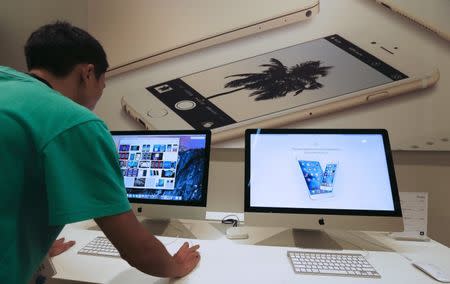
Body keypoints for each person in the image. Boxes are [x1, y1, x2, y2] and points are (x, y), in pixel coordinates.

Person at [0, 21, 200, 283]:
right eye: (102, 86)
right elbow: (137, 250)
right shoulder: (74, 121)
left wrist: (37, 243)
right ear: (88, 73)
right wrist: (176, 266)